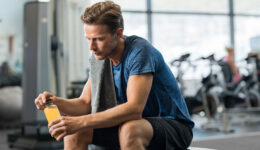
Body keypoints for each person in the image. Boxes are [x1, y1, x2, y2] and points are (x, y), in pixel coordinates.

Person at [34, 1, 194, 150]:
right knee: (75, 133)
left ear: (118, 33)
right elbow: (84, 103)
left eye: (98, 39)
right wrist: (55, 102)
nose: (91, 47)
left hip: (174, 126)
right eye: (88, 39)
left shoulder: (140, 52)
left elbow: (134, 109)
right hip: (133, 124)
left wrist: (80, 121)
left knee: (130, 128)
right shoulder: (99, 57)